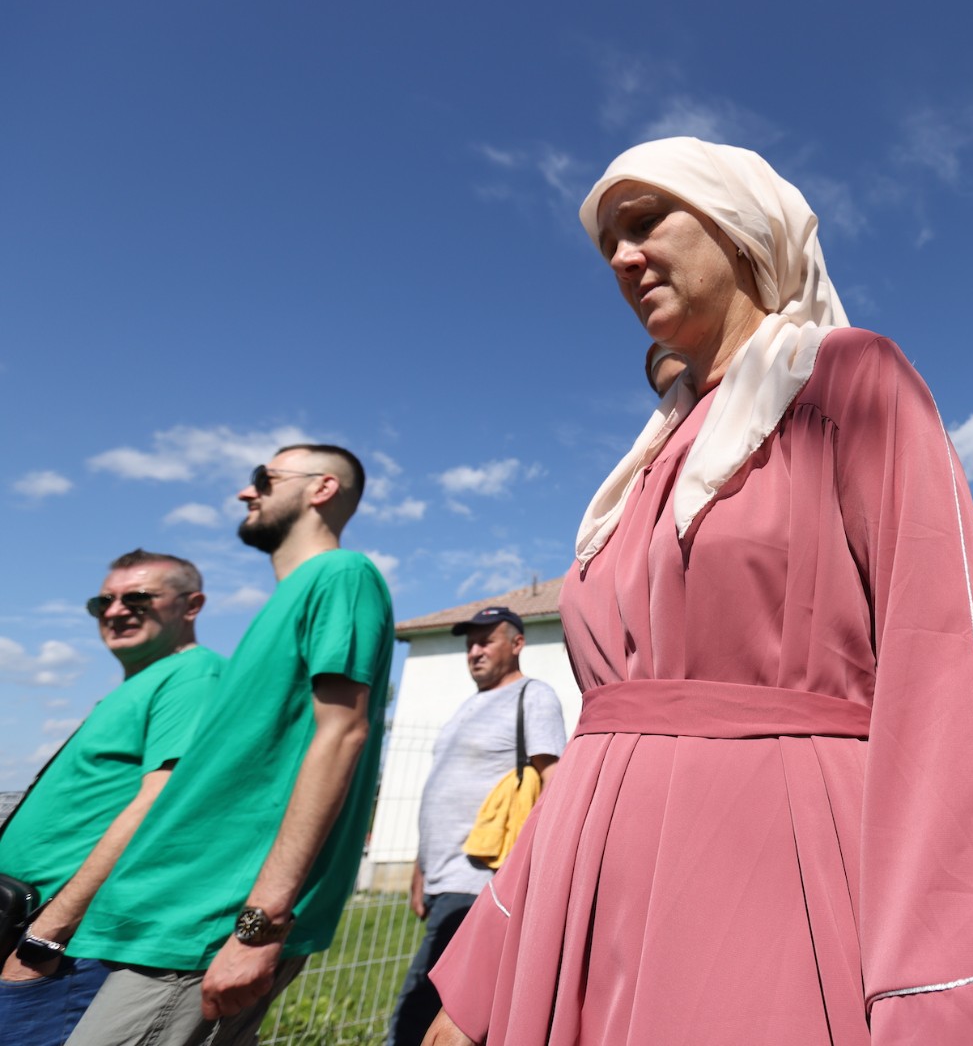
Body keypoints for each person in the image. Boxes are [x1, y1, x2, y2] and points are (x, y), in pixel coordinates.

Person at [425, 138, 973, 1044]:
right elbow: (604, 735)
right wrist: (490, 970)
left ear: (740, 228)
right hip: (584, 884)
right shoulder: (651, 457)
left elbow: (946, 683)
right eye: (608, 245)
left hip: (770, 871)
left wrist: (967, 989)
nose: (621, 259)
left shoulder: (849, 379)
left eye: (645, 222)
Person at [67, 445, 395, 1046]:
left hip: (212, 921)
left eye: (264, 478)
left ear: (322, 488)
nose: (247, 491)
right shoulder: (289, 599)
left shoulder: (341, 575)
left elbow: (343, 733)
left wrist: (257, 927)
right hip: (178, 915)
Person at [0, 551, 223, 1046]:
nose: (116, 611)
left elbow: (158, 806)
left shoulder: (194, 675)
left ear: (192, 605)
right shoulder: (141, 684)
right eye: (103, 602)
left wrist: (44, 939)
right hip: (31, 930)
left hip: (66, 948)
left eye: (138, 598)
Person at [388, 607, 566, 1046]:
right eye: (470, 643)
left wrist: (532, 873)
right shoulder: (467, 707)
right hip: (442, 877)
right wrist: (420, 870)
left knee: (418, 1013)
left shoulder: (533, 696)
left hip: (481, 879)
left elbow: (554, 783)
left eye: (486, 640)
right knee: (453, 1012)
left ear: (517, 644)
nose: (474, 651)